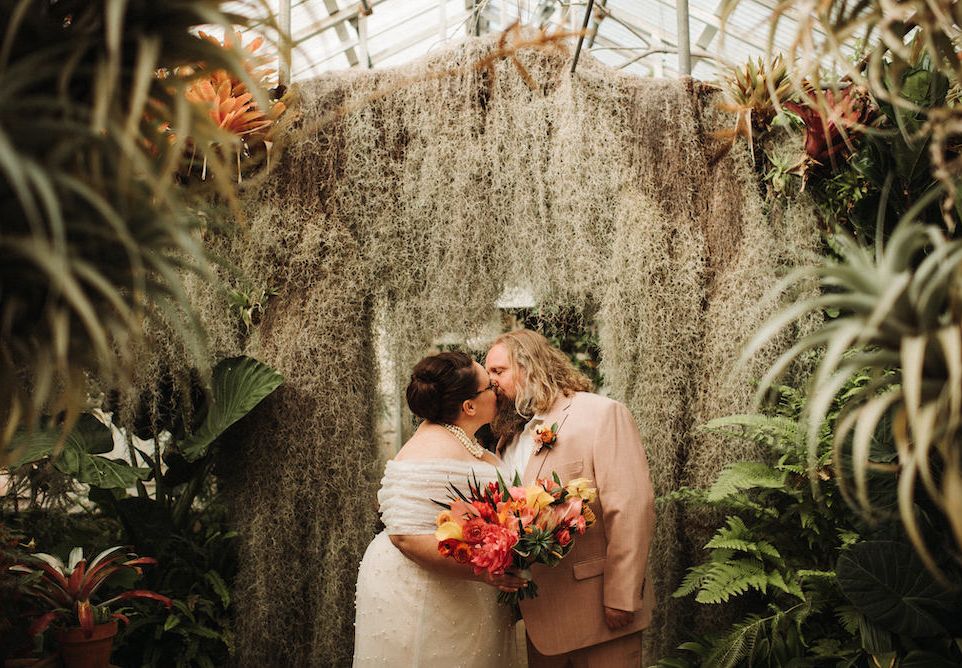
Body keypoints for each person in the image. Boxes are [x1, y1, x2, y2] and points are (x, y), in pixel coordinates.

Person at [485, 329, 656, 667]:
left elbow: (632, 508)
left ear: (530, 367)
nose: (491, 383)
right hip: (540, 618)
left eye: (498, 372)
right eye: (487, 373)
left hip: (600, 612)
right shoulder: (508, 439)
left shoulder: (600, 414)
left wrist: (621, 596)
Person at [353, 351, 526, 667]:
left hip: (465, 587)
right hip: (426, 590)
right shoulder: (428, 449)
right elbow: (404, 536)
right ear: (468, 406)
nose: (497, 390)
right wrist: (485, 573)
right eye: (489, 385)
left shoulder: (466, 441)